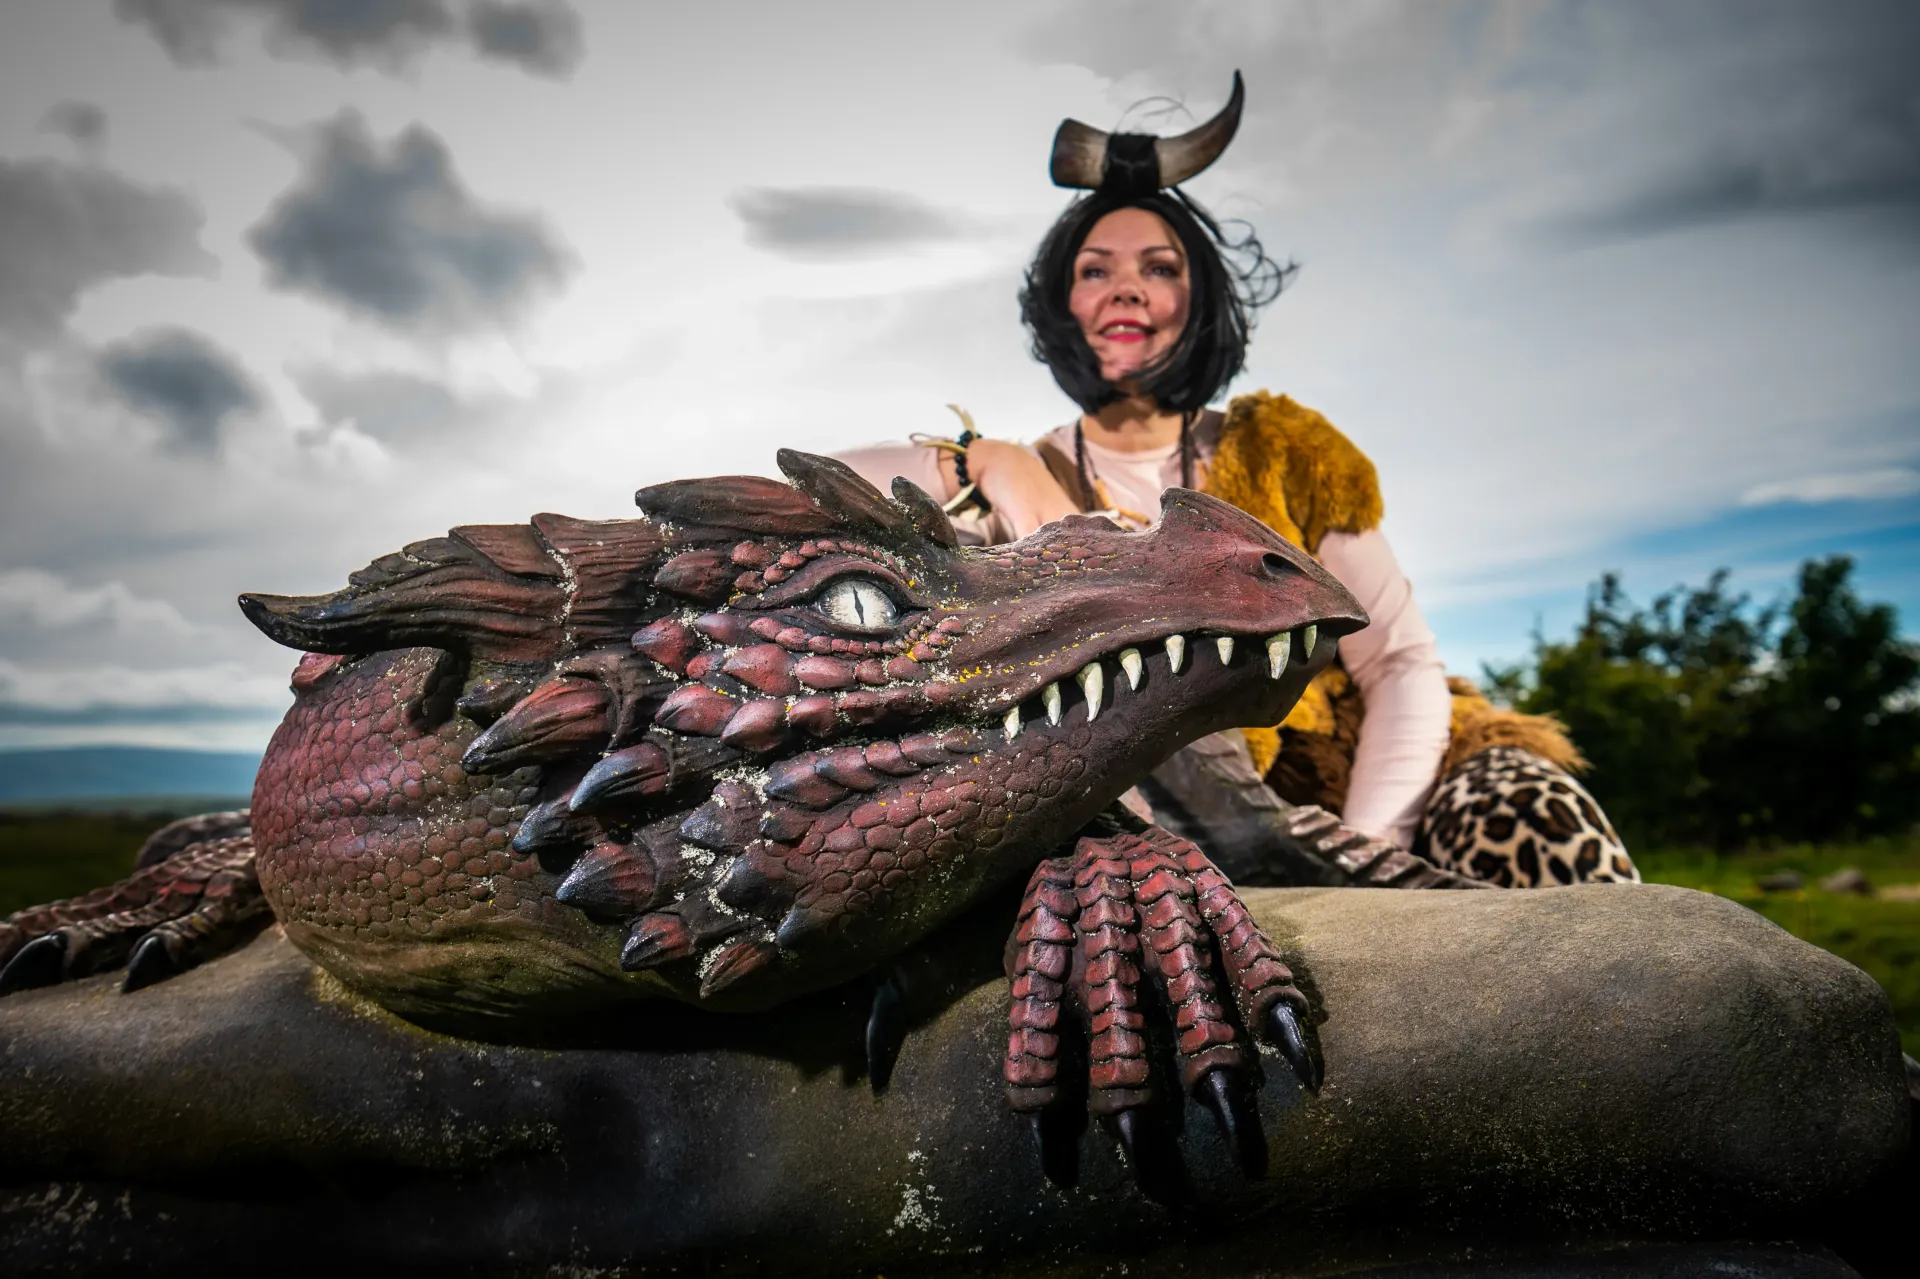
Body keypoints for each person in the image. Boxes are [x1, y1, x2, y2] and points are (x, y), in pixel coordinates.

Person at [838, 75, 1637, 888]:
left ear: (1199, 299)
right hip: (1157, 837)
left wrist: (1371, 861)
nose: (1126, 287)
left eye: (1159, 267)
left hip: (1361, 793)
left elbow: (1399, 665)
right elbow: (813, 485)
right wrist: (985, 460)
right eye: (1094, 270)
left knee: (1528, 805)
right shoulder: (1020, 479)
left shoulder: (1289, 449)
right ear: (1063, 302)